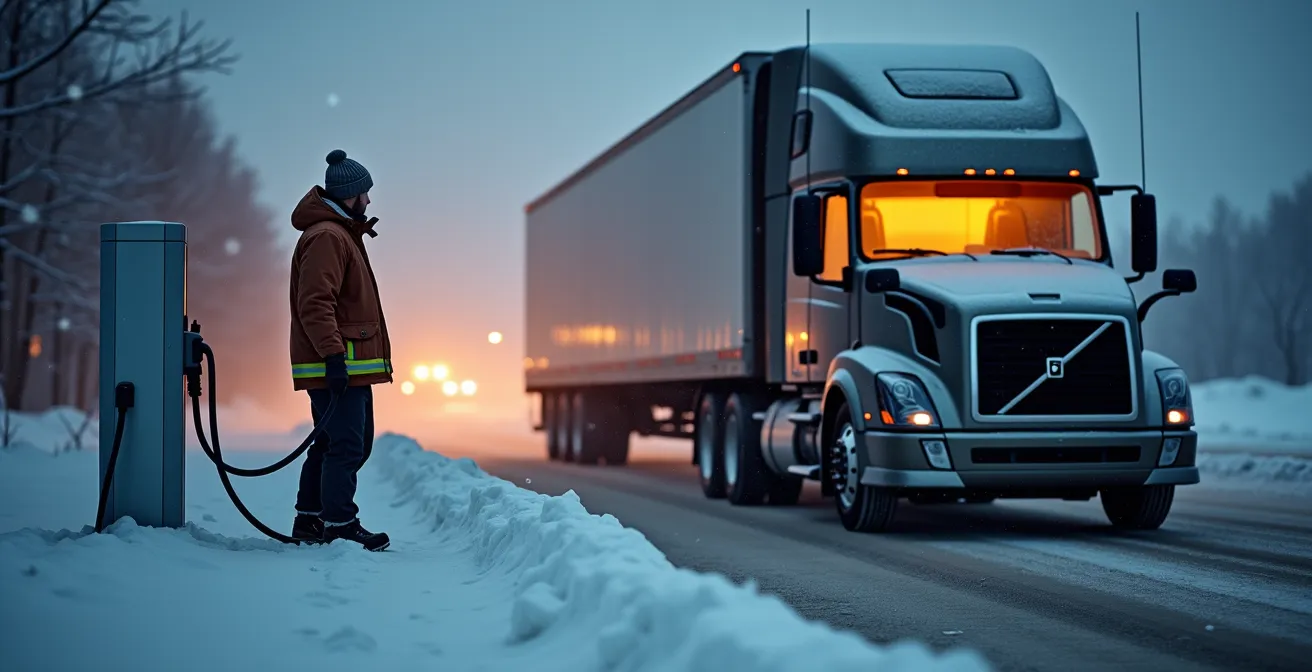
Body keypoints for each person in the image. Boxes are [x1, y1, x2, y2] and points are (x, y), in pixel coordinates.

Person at [287, 149, 394, 551]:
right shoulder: (329, 237)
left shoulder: (337, 233)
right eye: (364, 193)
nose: (368, 201)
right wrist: (333, 356)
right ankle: (339, 524)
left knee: (337, 443)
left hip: (342, 364)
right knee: (348, 444)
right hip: (337, 364)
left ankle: (312, 520)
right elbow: (316, 303)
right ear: (349, 195)